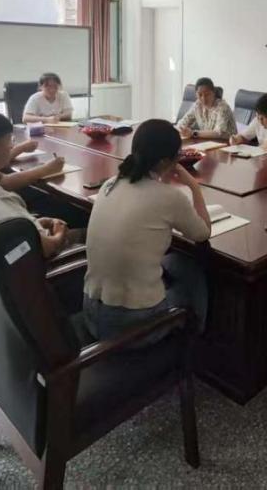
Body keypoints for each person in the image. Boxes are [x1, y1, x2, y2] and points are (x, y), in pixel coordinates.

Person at [83, 119, 212, 344]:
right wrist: (194, 186)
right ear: (166, 161)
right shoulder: (169, 197)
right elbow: (203, 233)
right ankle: (194, 342)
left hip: (91, 312)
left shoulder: (110, 184)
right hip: (130, 327)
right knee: (192, 275)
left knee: (173, 262)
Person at [0, 109, 69, 257]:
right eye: (9, 140)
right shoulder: (1, 200)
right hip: (41, 261)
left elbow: (14, 230)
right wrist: (60, 232)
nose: (11, 146)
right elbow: (46, 247)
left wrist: (33, 225)